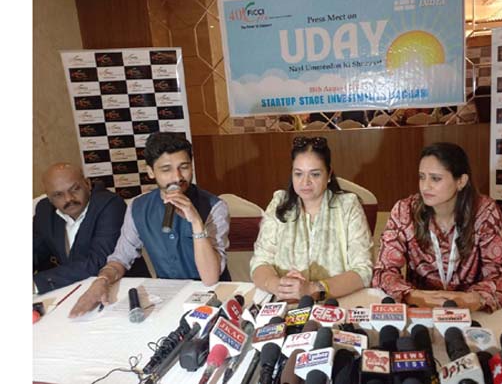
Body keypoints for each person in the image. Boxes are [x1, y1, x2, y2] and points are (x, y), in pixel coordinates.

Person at [69, 133, 230, 317]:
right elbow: (120, 258)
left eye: (184, 167)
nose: (177, 177)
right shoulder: (138, 207)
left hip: (214, 297)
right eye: (166, 170)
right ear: (151, 172)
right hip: (170, 296)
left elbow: (210, 278)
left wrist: (195, 221)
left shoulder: (215, 206)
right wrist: (103, 280)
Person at [372, 142, 502, 312]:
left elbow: (501, 277)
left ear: (461, 181)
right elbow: (383, 271)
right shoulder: (404, 211)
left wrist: (473, 299)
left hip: (470, 311)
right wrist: (413, 295)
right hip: (421, 308)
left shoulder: (485, 212)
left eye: (435, 178)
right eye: (422, 177)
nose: (425, 186)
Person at [249, 136, 373, 302]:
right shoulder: (279, 203)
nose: (305, 182)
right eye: (298, 174)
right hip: (286, 303)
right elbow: (259, 262)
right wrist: (279, 286)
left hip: (336, 304)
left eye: (314, 174)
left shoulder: (348, 206)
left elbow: (363, 270)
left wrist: (313, 289)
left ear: (329, 174)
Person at [33, 163, 126, 294]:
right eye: (58, 194)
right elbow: (36, 252)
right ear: (49, 198)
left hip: (118, 290)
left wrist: (36, 284)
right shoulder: (44, 210)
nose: (69, 199)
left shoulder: (110, 204)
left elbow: (98, 262)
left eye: (75, 189)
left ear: (87, 184)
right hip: (71, 291)